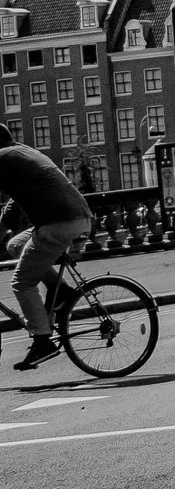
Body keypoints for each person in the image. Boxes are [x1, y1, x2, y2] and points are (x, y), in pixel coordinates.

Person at [0, 124, 92, 373]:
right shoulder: (21, 152)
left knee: (21, 282)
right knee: (16, 245)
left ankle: (42, 340)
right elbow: (14, 205)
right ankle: (59, 289)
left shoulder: (3, 157)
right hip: (76, 217)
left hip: (59, 224)